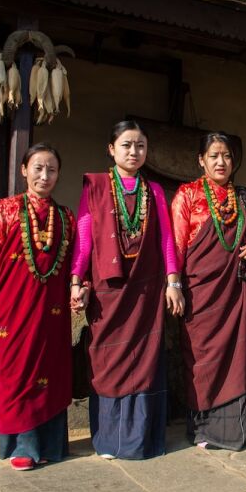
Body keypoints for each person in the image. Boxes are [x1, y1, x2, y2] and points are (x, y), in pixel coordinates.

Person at [69, 120, 183, 460]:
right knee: (107, 360)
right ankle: (109, 440)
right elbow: (84, 237)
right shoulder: (96, 186)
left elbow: (166, 238)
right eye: (127, 145)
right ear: (111, 149)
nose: (134, 152)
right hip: (108, 290)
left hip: (146, 290)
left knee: (145, 361)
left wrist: (173, 281)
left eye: (141, 146)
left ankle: (141, 440)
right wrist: (76, 281)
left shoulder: (155, 191)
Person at [0, 143, 75, 471]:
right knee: (14, 373)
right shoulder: (4, 211)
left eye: (52, 170)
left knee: (50, 372)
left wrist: (80, 287)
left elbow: (74, 264)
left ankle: (48, 446)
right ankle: (22, 446)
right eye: (38, 168)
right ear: (23, 170)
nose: (45, 176)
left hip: (51, 312)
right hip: (10, 310)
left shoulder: (65, 217)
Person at [171, 132, 246, 450]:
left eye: (226, 155)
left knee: (239, 357)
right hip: (200, 293)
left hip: (236, 292)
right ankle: (204, 430)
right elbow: (177, 246)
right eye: (213, 156)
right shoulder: (187, 195)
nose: (221, 162)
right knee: (201, 360)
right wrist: (174, 285)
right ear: (201, 160)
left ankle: (239, 430)